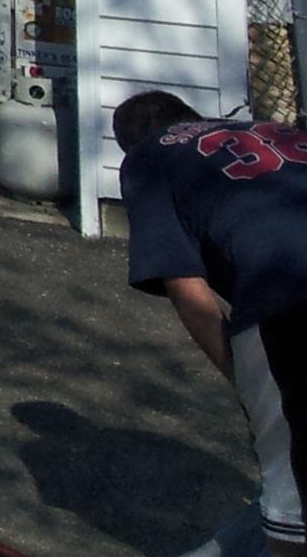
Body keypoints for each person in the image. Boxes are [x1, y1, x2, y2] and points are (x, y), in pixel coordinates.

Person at [118, 90, 307, 555]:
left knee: (291, 500)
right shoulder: (278, 131)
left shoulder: (150, 156)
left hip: (286, 296)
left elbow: (188, 288)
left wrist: (245, 380)